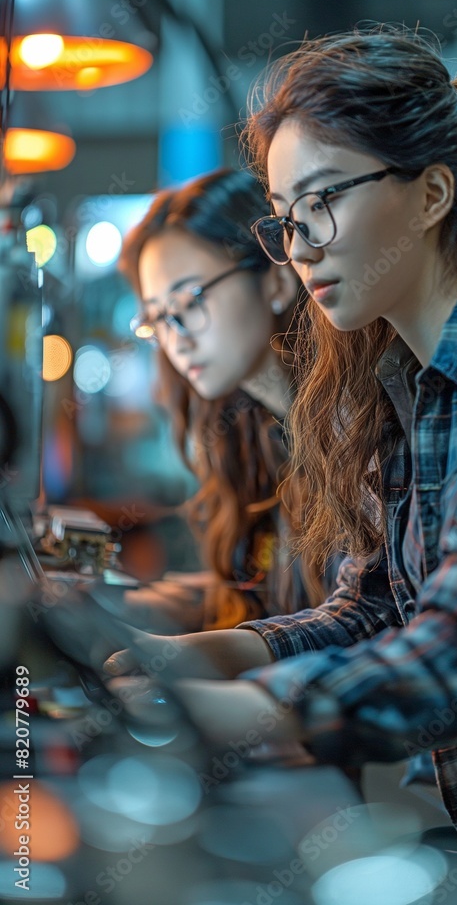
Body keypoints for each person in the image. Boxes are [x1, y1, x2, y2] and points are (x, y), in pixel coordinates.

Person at [106, 28, 457, 867]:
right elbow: (377, 607)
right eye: (285, 219)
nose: (303, 243)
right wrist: (205, 654)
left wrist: (246, 707)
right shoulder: (398, 378)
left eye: (323, 200)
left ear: (429, 194)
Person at [116, 167, 333, 632]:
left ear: (276, 279)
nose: (175, 341)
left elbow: (355, 624)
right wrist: (123, 610)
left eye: (190, 301)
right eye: (157, 318)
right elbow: (269, 596)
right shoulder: (254, 433)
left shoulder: (354, 426)